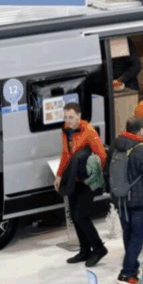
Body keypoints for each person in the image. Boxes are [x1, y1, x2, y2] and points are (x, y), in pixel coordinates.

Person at [53, 102, 109, 267]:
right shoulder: (66, 131)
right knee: (73, 215)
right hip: (73, 179)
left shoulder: (89, 131)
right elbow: (65, 154)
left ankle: (99, 248)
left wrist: (94, 177)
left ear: (79, 116)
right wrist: (59, 175)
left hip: (87, 181)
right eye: (66, 117)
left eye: (71, 117)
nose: (68, 121)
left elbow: (102, 155)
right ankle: (85, 250)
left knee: (80, 215)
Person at [107, 116, 143, 284]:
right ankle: (126, 273)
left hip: (120, 199)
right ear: (141, 130)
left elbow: (107, 169)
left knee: (128, 234)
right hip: (140, 201)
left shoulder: (115, 145)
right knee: (138, 236)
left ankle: (133, 267)